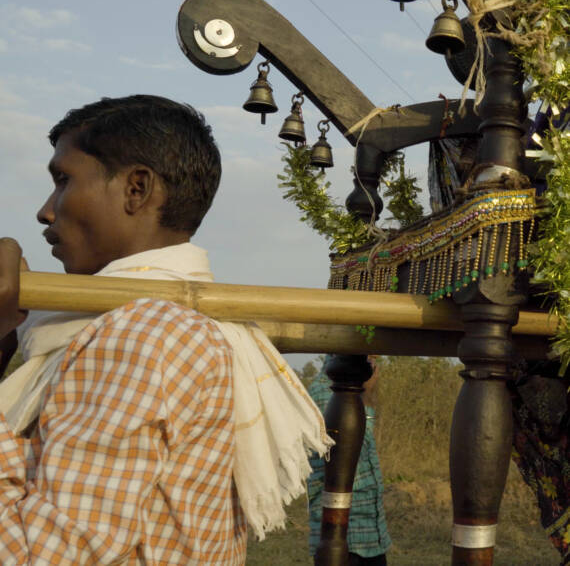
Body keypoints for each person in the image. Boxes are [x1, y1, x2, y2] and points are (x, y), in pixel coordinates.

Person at [0, 95, 332, 565]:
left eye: (63, 181)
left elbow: (39, 557)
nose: (45, 211)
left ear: (136, 189)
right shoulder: (163, 326)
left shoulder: (141, 334)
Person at [307, 355, 391, 566]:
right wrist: (365, 394)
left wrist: (367, 395)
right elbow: (354, 450)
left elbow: (366, 434)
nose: (373, 360)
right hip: (345, 532)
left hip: (370, 534)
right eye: (368, 355)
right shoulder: (326, 392)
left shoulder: (354, 392)